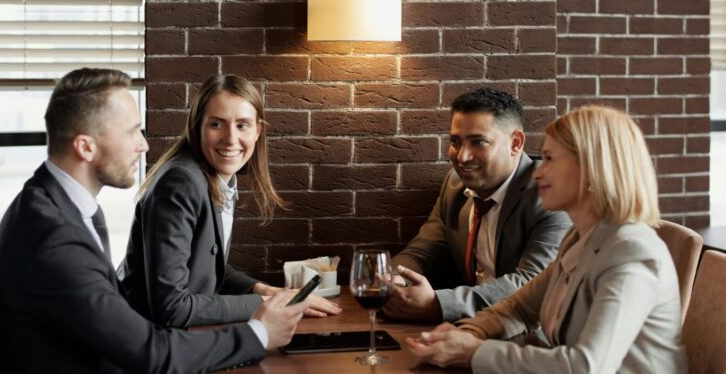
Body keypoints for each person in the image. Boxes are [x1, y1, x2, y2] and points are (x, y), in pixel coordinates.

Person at [0, 68, 309, 373]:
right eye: (131, 132)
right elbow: (151, 353)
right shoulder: (55, 238)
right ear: (86, 146)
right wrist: (259, 333)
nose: (143, 145)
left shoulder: (59, 205)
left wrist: (261, 297)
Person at [406, 106, 688, 373]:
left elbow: (587, 367)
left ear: (592, 168)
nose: (538, 171)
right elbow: (520, 308)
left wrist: (475, 352)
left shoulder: (631, 252)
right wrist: (467, 333)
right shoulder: (579, 237)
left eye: (550, 159)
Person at [116, 74, 340, 328]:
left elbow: (206, 266)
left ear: (258, 131)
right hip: (146, 344)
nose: (231, 139)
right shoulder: (182, 182)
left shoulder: (215, 177)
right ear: (196, 127)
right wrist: (267, 305)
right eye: (217, 124)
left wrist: (266, 291)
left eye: (242, 125)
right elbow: (171, 308)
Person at [385, 88, 571, 322]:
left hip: (530, 336)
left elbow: (531, 284)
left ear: (515, 143)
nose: (462, 157)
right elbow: (422, 253)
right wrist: (395, 280)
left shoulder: (548, 193)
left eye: (478, 142)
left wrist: (438, 304)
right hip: (471, 329)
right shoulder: (454, 186)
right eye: (455, 142)